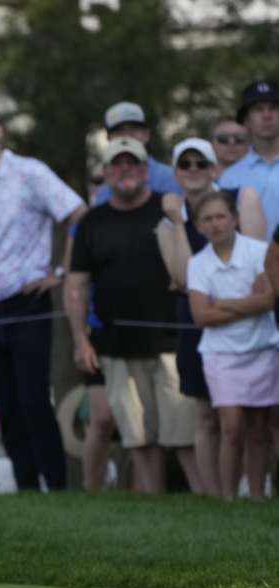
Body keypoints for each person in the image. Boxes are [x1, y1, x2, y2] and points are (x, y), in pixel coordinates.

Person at [0, 102, 86, 491]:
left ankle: (56, 484)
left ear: (0, 131)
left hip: (27, 300)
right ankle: (27, 486)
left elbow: (78, 213)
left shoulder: (30, 173)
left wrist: (59, 274)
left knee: (33, 398)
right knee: (6, 403)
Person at [66, 137, 199, 495]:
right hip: (115, 345)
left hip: (170, 339)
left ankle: (208, 499)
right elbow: (76, 286)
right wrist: (80, 339)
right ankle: (154, 504)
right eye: (117, 164)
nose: (125, 170)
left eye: (132, 163)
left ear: (144, 169)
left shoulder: (169, 210)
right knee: (139, 438)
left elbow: (190, 272)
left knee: (184, 434)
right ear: (107, 172)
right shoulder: (92, 222)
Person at [154, 138, 267, 496]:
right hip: (199, 327)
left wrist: (223, 306)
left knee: (256, 419)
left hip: (253, 329)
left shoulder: (241, 197)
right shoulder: (167, 222)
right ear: (175, 173)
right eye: (184, 165)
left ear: (213, 167)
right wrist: (176, 219)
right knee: (208, 415)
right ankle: (216, 497)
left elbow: (258, 267)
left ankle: (256, 491)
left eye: (200, 163)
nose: (193, 170)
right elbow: (183, 279)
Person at [187, 191, 279, 501]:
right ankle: (228, 498)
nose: (215, 224)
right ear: (199, 226)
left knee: (259, 429)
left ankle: (256, 495)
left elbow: (268, 300)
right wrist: (249, 304)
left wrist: (223, 304)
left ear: (234, 219)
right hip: (220, 354)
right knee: (231, 426)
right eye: (207, 219)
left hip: (262, 348)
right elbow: (201, 316)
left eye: (221, 216)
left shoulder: (259, 251)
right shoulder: (197, 264)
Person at [91, 102, 182, 205]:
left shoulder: (170, 179)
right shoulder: (104, 189)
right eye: (119, 131)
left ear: (146, 135)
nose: (127, 135)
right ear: (109, 139)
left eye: (134, 129)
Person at [220, 80, 279, 235]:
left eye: (273, 108)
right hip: (249, 259)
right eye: (258, 109)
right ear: (246, 121)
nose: (267, 115)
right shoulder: (229, 177)